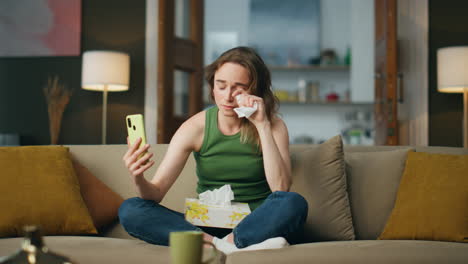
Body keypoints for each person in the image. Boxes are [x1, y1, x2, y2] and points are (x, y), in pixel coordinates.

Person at [119, 46, 308, 254]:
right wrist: (138, 177)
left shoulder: (273, 125)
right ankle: (223, 246)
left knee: (293, 203)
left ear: (255, 90)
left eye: (239, 87)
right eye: (221, 86)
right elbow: (155, 193)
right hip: (205, 226)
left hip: (256, 225)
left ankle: (225, 244)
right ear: (212, 86)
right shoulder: (195, 128)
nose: (227, 97)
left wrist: (262, 125)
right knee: (130, 210)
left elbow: (280, 188)